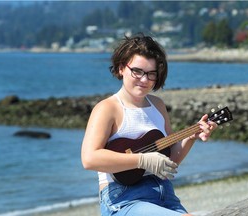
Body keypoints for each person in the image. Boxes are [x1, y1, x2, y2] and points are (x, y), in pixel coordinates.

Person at [81, 33, 217, 216]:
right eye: (137, 71)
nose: (144, 80)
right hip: (125, 200)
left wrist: (191, 136)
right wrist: (143, 160)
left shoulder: (158, 106)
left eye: (151, 74)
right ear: (122, 68)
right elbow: (89, 159)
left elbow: (170, 160)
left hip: (165, 194)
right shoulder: (107, 108)